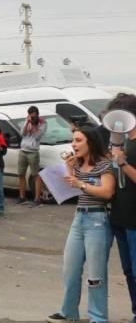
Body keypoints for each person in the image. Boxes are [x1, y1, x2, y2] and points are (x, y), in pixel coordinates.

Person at [46, 126, 114, 323]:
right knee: (70, 269)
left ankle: (98, 318)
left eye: (78, 140)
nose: (73, 144)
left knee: (95, 274)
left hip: (97, 222)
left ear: (90, 142)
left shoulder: (104, 165)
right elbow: (72, 187)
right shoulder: (77, 164)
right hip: (79, 219)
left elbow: (108, 192)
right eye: (73, 140)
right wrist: (69, 170)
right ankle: (68, 312)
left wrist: (81, 184)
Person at [106, 94, 136, 323]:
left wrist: (123, 163)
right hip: (119, 217)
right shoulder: (123, 141)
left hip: (134, 220)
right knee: (128, 271)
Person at [18, 105, 47, 206]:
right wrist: (27, 122)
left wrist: (35, 124)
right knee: (21, 174)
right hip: (23, 150)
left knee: (35, 175)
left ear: (37, 115)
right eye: (31, 116)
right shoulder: (27, 121)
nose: (33, 118)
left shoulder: (43, 123)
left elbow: (37, 136)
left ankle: (37, 199)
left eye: (34, 116)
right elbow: (22, 133)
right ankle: (22, 197)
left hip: (33, 152)